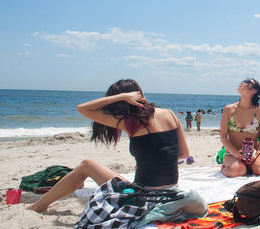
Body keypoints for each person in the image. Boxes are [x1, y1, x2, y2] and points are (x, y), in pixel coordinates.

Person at [27, 79, 189, 213]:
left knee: (87, 165)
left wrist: (121, 97)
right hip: (171, 191)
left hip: (144, 196)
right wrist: (153, 161)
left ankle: (40, 205)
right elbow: (183, 154)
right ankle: (41, 204)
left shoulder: (129, 121)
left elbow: (82, 108)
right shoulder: (170, 114)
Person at [219, 79, 260, 177]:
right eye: (242, 82)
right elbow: (223, 136)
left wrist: (256, 154)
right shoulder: (229, 109)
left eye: (247, 83)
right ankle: (225, 168)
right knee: (238, 171)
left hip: (252, 154)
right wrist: (235, 153)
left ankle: (250, 166)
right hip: (232, 153)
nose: (242, 83)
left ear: (254, 91)